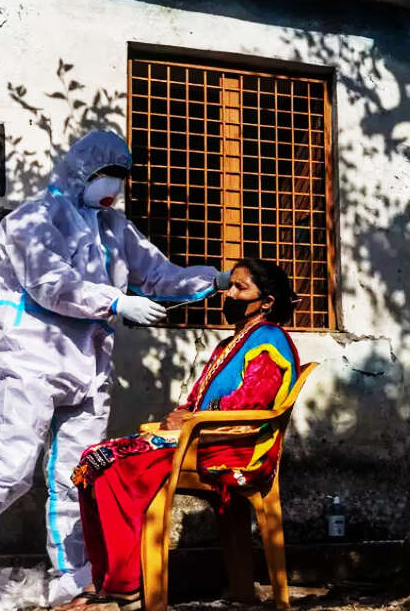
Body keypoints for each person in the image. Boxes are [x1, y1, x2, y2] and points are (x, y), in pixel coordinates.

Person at [0, 130, 228, 611]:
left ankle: (73, 578)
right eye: (107, 177)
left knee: (75, 476)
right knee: (8, 467)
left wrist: (215, 279)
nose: (113, 190)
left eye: (120, 180)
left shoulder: (113, 227)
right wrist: (116, 300)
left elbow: (158, 273)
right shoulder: (31, 220)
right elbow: (49, 283)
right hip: (30, 361)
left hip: (89, 366)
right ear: (81, 171)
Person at [57, 258, 302, 611]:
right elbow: (195, 401)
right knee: (94, 458)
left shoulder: (269, 341)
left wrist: (191, 421)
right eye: (229, 285)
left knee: (116, 466)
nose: (228, 294)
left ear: (267, 302)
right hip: (198, 440)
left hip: (233, 449)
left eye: (240, 288)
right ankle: (105, 580)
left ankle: (125, 587)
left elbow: (253, 405)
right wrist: (182, 417)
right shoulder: (226, 346)